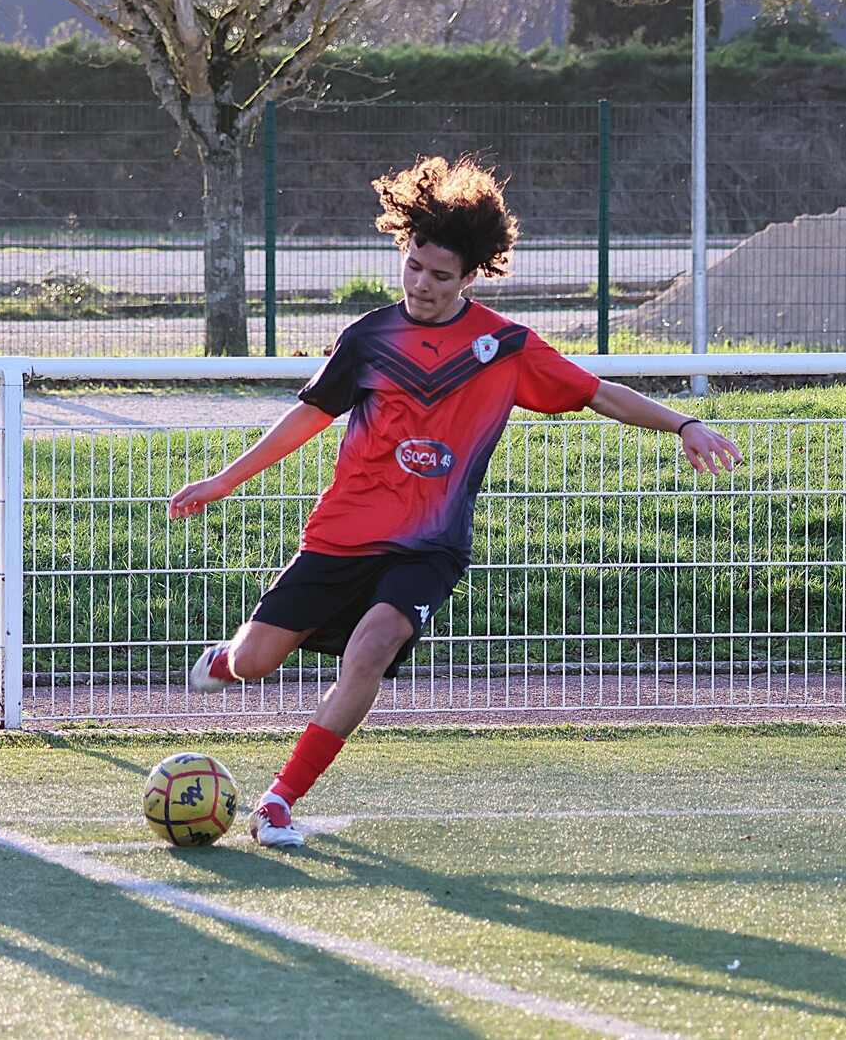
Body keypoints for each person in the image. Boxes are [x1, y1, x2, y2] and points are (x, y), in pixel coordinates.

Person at [169, 155, 743, 848]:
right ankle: (227, 660)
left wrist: (684, 423)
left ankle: (279, 801)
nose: (421, 284)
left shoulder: (504, 347)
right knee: (257, 661)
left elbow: (599, 393)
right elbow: (309, 416)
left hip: (430, 546)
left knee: (371, 648)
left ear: (471, 275)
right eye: (413, 266)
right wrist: (224, 480)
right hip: (342, 534)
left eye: (440, 276)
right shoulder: (370, 337)